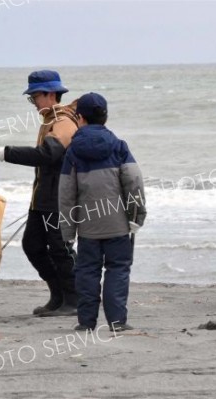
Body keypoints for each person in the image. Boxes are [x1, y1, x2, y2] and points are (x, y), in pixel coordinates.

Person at [0, 71, 79, 317]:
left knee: (60, 248)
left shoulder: (64, 122)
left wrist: (6, 153)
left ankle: (74, 299)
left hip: (59, 199)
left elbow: (47, 155)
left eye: (35, 97)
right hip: (42, 198)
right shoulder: (50, 119)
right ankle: (58, 295)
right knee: (33, 245)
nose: (34, 103)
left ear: (51, 94)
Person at [58, 92, 146, 332]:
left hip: (88, 228)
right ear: (105, 116)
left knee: (87, 271)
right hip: (117, 223)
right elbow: (134, 181)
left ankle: (86, 322)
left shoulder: (73, 151)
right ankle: (117, 322)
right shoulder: (118, 146)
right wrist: (137, 216)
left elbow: (66, 193)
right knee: (118, 269)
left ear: (80, 118)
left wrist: (68, 231)